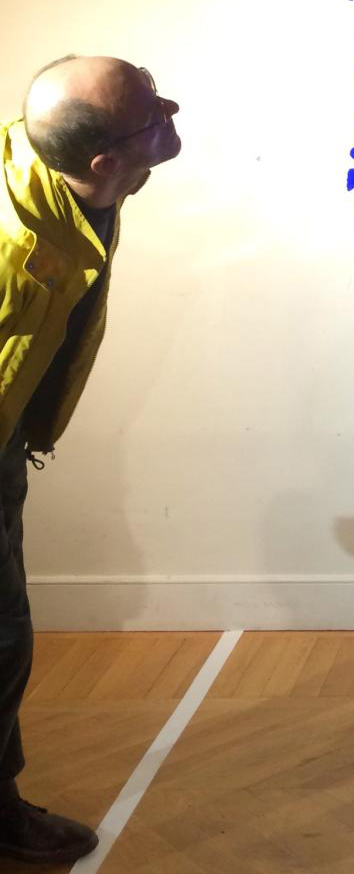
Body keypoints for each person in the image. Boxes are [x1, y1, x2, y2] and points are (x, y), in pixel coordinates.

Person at [0, 54, 179, 863]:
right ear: (105, 161)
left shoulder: (82, 178)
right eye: (153, 113)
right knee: (2, 638)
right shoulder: (13, 246)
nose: (173, 112)